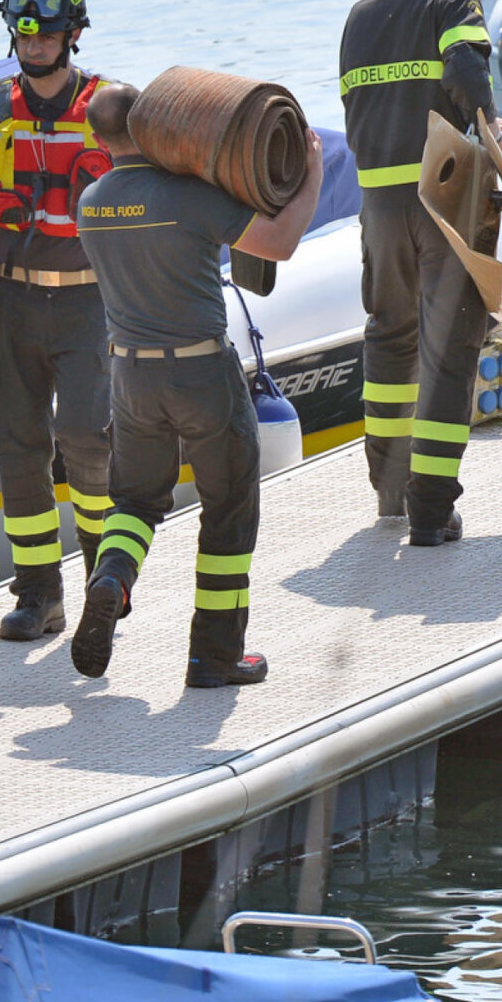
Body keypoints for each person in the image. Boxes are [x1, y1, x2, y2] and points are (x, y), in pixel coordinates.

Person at [71, 84, 325, 686]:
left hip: (130, 375)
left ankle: (112, 577)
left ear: (97, 140)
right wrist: (310, 170)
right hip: (201, 370)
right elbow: (279, 243)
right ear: (153, 124)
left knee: (134, 503)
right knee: (229, 507)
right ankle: (213, 657)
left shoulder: (91, 202)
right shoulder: (186, 196)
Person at [0, 0, 119, 636]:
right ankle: (39, 595)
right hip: (9, 298)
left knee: (87, 438)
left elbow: (155, 198)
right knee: (15, 441)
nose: (33, 39)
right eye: (23, 27)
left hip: (88, 304)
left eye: (46, 27)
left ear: (73, 32)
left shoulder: (109, 105)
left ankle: (106, 579)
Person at [338, 0, 502, 548]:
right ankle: (432, 511)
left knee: (389, 339)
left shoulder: (358, 17)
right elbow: (466, 67)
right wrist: (490, 124)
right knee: (451, 345)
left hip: (378, 205)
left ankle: (389, 493)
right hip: (442, 191)